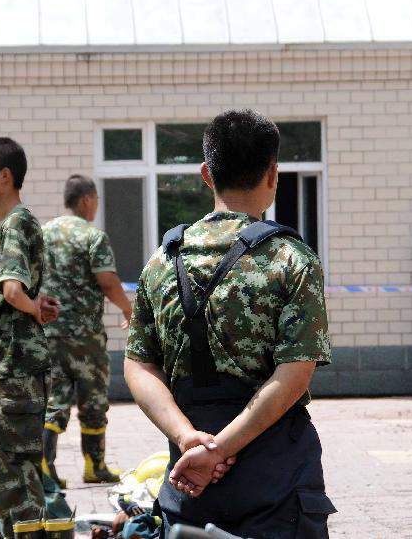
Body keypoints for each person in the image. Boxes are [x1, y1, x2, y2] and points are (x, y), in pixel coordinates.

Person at [124, 109, 336, 538]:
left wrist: (190, 441)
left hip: (189, 482)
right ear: (273, 174)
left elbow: (138, 366)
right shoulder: (291, 259)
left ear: (206, 173)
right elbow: (294, 376)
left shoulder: (162, 261)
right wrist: (220, 448)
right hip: (275, 477)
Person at [0, 137, 59, 538]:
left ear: (4, 177)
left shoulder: (16, 224)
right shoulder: (18, 224)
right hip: (14, 368)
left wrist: (30, 305)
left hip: (13, 369)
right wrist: (36, 305)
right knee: (6, 472)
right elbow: (20, 294)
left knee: (10, 481)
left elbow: (11, 289)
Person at [40, 174, 133, 486]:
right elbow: (107, 281)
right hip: (85, 337)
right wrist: (127, 307)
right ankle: (95, 466)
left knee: (55, 399)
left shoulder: (42, 233)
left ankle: (45, 466)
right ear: (86, 200)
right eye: (95, 200)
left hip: (48, 332)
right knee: (92, 399)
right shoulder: (93, 237)